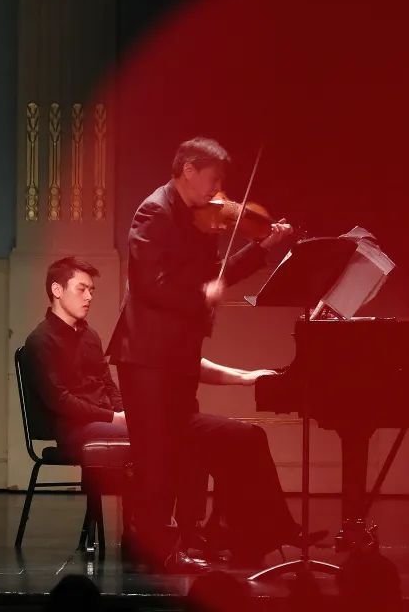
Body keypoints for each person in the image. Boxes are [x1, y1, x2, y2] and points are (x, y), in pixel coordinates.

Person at [106, 136, 309, 573]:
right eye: (213, 179)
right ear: (189, 170)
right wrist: (201, 294)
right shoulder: (154, 212)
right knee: (156, 458)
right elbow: (150, 286)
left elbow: (216, 276)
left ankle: (235, 535)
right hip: (147, 359)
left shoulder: (201, 218)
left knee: (188, 449)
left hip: (176, 358)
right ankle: (156, 550)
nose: (218, 191)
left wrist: (261, 250)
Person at [22, 258, 128, 459]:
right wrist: (113, 417)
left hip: (103, 421)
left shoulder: (91, 335)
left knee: (156, 428)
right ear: (57, 290)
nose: (89, 296)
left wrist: (124, 413)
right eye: (81, 289)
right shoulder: (40, 340)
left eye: (91, 291)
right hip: (71, 429)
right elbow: (60, 400)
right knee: (143, 436)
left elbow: (107, 383)